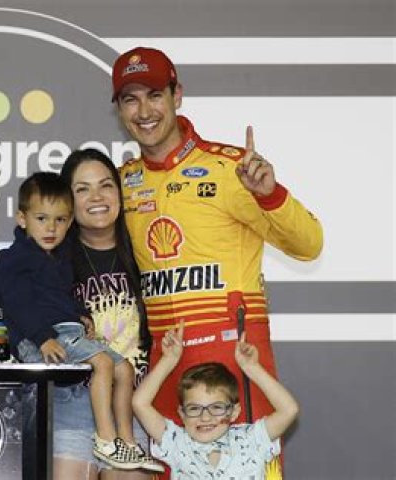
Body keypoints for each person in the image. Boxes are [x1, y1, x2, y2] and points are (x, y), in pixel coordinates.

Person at [111, 46, 323, 475]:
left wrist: (270, 195)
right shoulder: (123, 182)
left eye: (155, 95)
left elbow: (309, 245)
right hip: (166, 359)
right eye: (130, 99)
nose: (144, 111)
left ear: (177, 95)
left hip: (234, 354)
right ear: (118, 108)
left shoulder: (231, 169)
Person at [0, 171, 154, 471]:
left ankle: (127, 442)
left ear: (70, 221)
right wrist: (42, 337)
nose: (51, 228)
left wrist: (81, 314)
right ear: (22, 218)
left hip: (67, 332)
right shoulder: (13, 258)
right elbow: (17, 304)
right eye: (41, 218)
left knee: (124, 369)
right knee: (103, 363)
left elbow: (59, 298)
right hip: (40, 340)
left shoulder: (58, 257)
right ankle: (106, 439)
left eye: (61, 220)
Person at [53, 149, 163, 479]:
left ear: (119, 192)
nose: (96, 197)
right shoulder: (52, 260)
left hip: (131, 414)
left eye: (105, 185)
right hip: (72, 407)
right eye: (82, 189)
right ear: (67, 201)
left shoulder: (147, 251)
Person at [133, 320, 299, 479]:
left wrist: (253, 368)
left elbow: (289, 410)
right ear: (182, 413)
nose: (205, 417)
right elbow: (139, 403)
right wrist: (168, 360)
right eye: (194, 408)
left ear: (234, 412)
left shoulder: (252, 439)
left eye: (217, 407)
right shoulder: (177, 442)